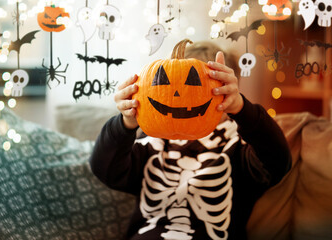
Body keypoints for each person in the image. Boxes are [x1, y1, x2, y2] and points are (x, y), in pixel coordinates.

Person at [90, 41, 291, 240]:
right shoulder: (151, 139)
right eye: (169, 85)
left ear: (227, 90)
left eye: (195, 85)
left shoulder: (239, 145)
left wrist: (242, 108)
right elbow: (106, 169)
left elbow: (277, 160)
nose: (179, 96)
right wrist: (125, 123)